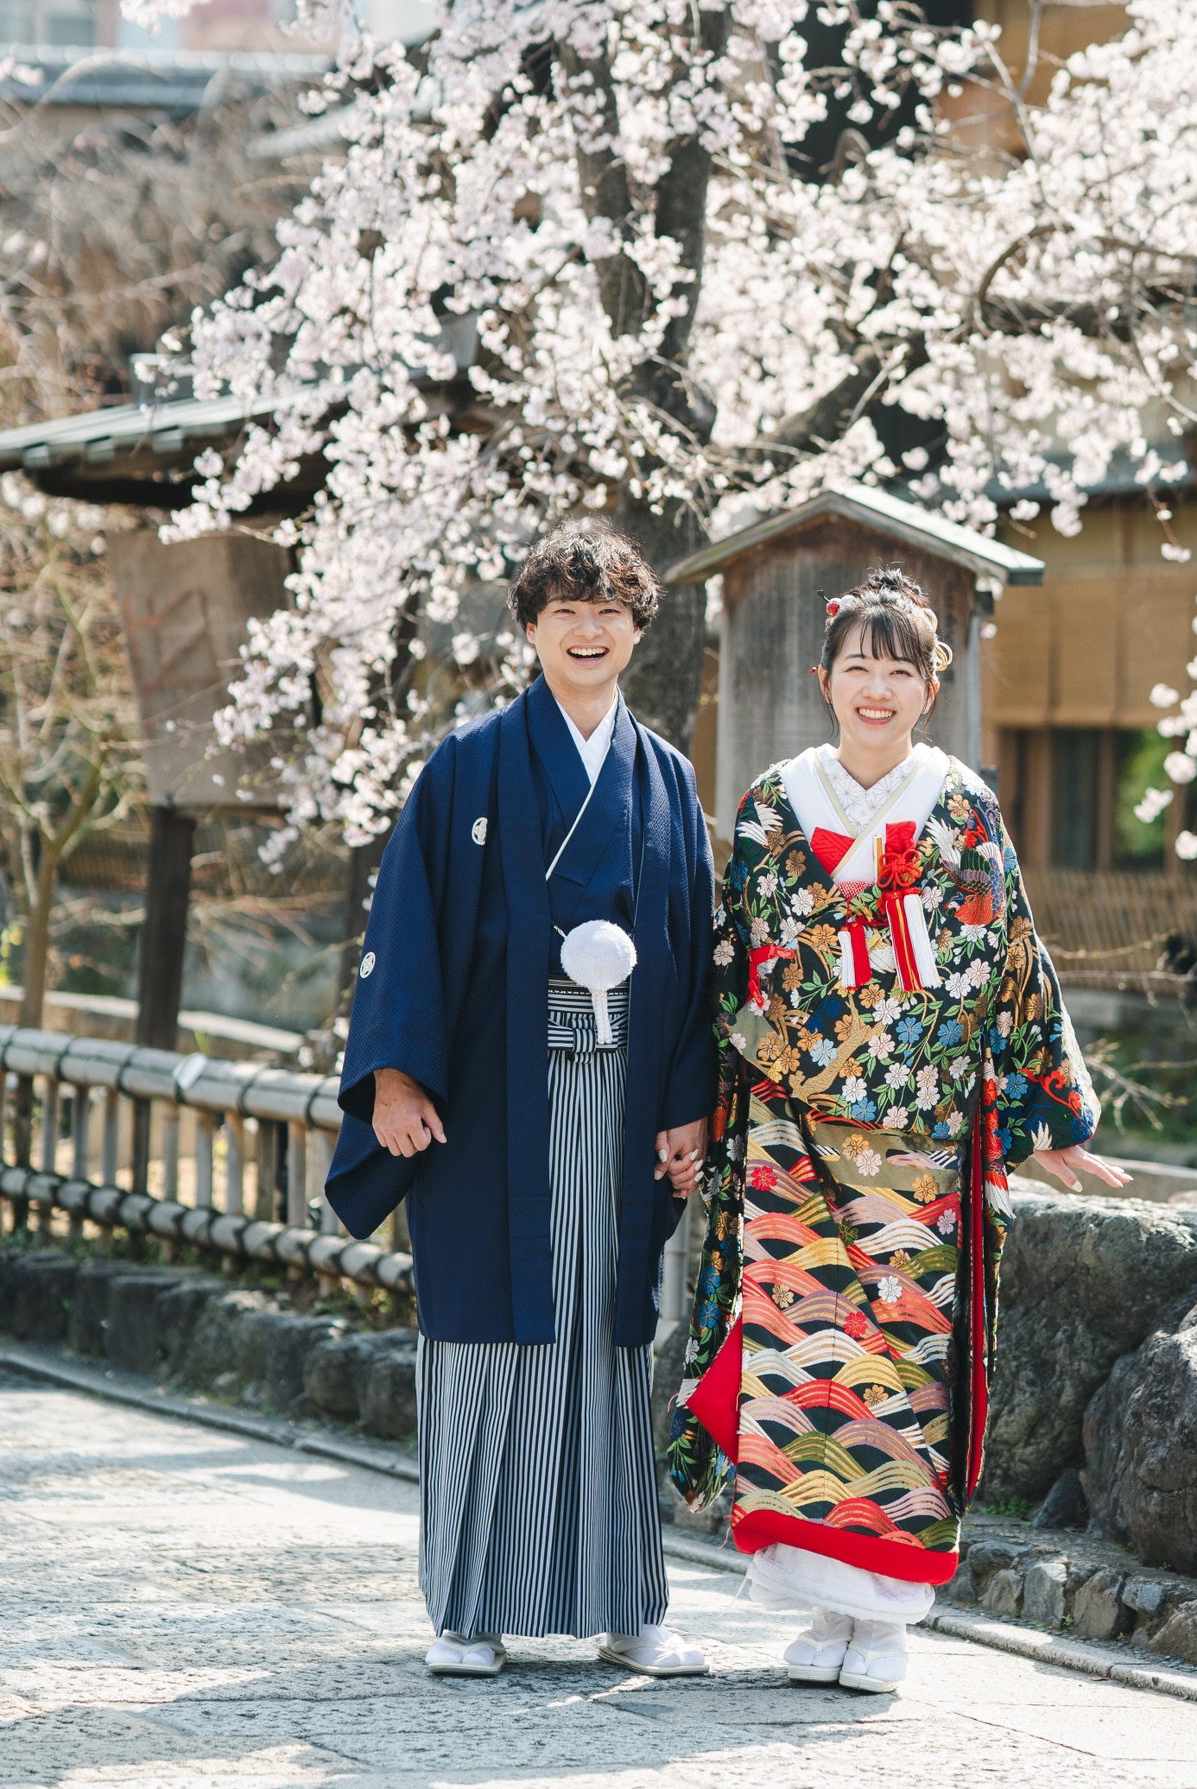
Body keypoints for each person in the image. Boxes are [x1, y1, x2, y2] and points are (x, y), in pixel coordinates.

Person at [669, 564, 1126, 1694]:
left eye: (900, 670)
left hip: (918, 1146)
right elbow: (737, 962)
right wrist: (803, 1054)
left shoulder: (958, 807)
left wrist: (1045, 1110)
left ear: (932, 685)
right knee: (798, 1357)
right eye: (858, 669)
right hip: (792, 1132)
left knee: (897, 1365)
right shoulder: (777, 803)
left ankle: (879, 1624)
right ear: (824, 681)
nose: (877, 689)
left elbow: (1005, 962)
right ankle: (815, 1608)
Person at [326, 519, 717, 1680]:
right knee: (485, 1331)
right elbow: (403, 920)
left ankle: (625, 1604)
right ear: (533, 631)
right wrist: (394, 1075)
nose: (587, 630)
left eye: (608, 612)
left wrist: (687, 1100)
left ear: (637, 630)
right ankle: (468, 1608)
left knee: (606, 1330)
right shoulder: (468, 764)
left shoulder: (665, 779)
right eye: (565, 612)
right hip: (491, 1097)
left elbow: (695, 956)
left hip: (620, 1088)